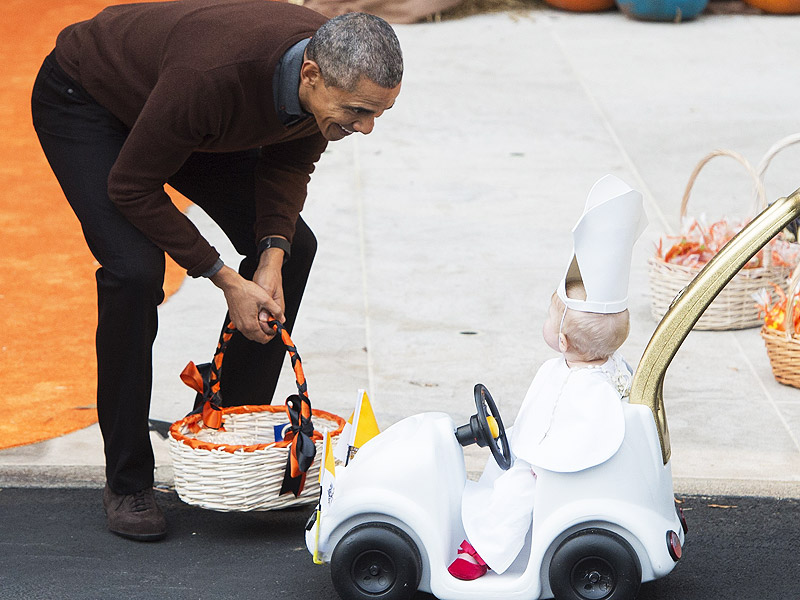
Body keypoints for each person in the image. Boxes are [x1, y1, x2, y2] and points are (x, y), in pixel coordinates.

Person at [31, 0, 403, 542]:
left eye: (378, 114)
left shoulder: (325, 74)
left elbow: (291, 161)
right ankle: (128, 480)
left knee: (295, 247)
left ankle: (224, 436)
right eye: (358, 112)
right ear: (311, 75)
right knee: (134, 271)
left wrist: (271, 257)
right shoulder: (210, 78)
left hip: (177, 111)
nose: (366, 128)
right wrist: (226, 278)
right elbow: (131, 186)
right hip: (88, 100)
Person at [447, 175, 647, 580]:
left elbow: (583, 436)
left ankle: (483, 550)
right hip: (544, 453)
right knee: (509, 467)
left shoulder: (590, 389)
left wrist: (541, 462)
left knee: (517, 486)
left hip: (558, 468)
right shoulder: (597, 364)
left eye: (549, 315)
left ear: (562, 338)